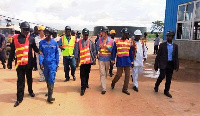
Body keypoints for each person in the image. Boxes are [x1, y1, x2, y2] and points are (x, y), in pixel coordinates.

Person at [7, 22, 42, 107]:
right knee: (20, 81)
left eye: (28, 30)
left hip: (29, 64)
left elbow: (35, 48)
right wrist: (9, 62)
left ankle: (30, 91)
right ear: (21, 29)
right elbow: (12, 52)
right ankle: (19, 98)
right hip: (19, 65)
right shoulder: (15, 38)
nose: (26, 31)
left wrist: (40, 52)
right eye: (25, 29)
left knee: (29, 79)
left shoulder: (31, 39)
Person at [154, 30, 179, 98]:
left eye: (170, 36)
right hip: (163, 63)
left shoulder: (175, 46)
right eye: (167, 36)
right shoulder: (162, 45)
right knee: (162, 76)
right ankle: (156, 85)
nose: (168, 37)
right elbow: (158, 55)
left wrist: (177, 65)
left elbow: (176, 56)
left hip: (171, 64)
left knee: (169, 78)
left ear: (172, 37)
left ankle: (166, 91)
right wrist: (156, 65)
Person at [111, 28, 134, 95]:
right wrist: (113, 59)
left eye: (126, 34)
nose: (125, 35)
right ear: (122, 34)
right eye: (124, 33)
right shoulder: (117, 41)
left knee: (127, 75)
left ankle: (125, 89)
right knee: (119, 74)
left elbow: (130, 53)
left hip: (127, 61)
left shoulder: (129, 42)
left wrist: (132, 61)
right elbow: (114, 51)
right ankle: (113, 82)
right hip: (120, 61)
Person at [39, 27, 59, 103]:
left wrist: (57, 63)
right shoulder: (41, 43)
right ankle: (49, 91)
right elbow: (40, 53)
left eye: (48, 33)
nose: (46, 34)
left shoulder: (54, 43)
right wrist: (41, 63)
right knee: (47, 79)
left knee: (51, 78)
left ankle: (50, 96)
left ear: (51, 34)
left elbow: (57, 53)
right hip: (45, 64)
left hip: (52, 64)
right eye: (45, 32)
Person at [75, 28, 96, 96]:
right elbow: (77, 52)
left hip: (88, 62)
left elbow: (93, 52)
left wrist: (94, 60)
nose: (86, 36)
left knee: (87, 74)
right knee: (82, 75)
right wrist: (77, 61)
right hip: (82, 62)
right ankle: (82, 88)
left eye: (87, 35)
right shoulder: (79, 43)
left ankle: (86, 83)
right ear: (83, 35)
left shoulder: (91, 43)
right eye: (84, 35)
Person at [96, 26, 114, 94]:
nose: (101, 33)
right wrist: (99, 48)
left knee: (105, 73)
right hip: (101, 58)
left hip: (107, 59)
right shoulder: (99, 40)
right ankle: (104, 88)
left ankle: (102, 83)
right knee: (102, 73)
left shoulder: (111, 41)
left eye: (102, 32)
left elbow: (112, 49)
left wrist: (107, 47)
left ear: (106, 32)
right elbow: (97, 48)